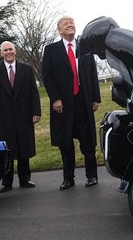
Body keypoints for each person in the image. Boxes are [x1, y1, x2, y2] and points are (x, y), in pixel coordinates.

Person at [41, 15, 101, 190]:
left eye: (72, 23)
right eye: (66, 24)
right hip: (62, 104)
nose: (70, 25)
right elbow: (47, 76)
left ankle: (92, 176)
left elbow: (92, 74)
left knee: (87, 141)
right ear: (59, 30)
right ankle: (68, 178)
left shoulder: (85, 49)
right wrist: (55, 98)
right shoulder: (51, 50)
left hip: (83, 100)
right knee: (65, 143)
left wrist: (95, 98)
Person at [0, 41, 41, 193]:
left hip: (24, 114)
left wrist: (36, 112)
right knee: (6, 149)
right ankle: (6, 182)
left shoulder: (27, 70)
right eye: (5, 50)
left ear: (15, 51)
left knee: (24, 146)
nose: (8, 52)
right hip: (3, 116)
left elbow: (33, 93)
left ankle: (25, 179)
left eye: (11, 49)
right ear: (1, 53)